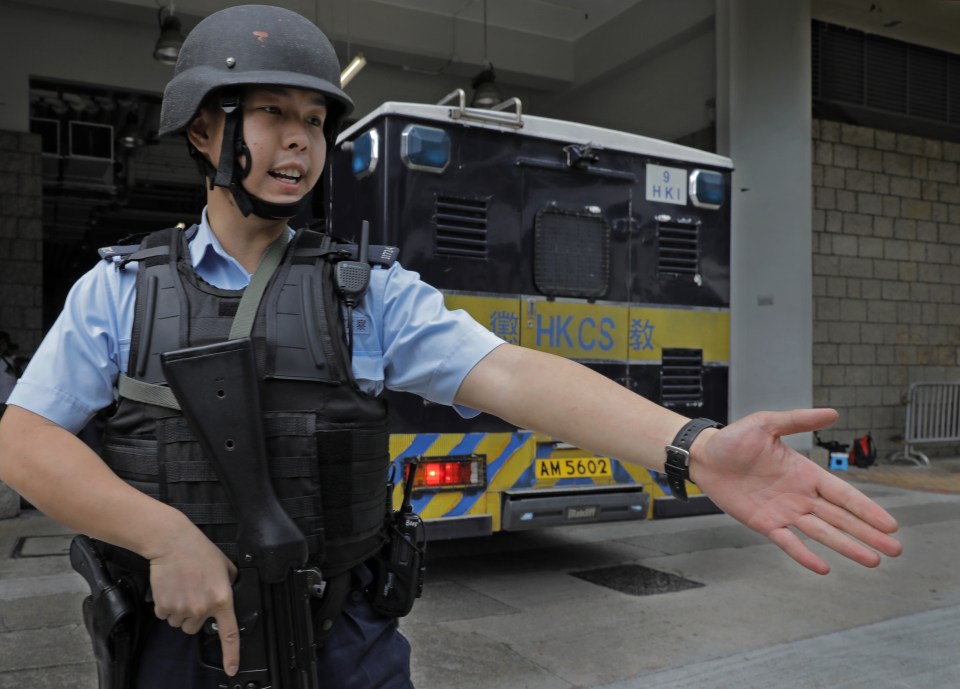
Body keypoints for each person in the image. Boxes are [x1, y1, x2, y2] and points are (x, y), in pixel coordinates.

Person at [0, 5, 902, 689]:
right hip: (176, 640)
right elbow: (26, 437)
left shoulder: (367, 289)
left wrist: (694, 449)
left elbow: (510, 371)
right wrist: (160, 533)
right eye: (271, 113)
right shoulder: (122, 290)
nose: (299, 141)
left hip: (342, 635)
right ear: (204, 130)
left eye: (314, 120)